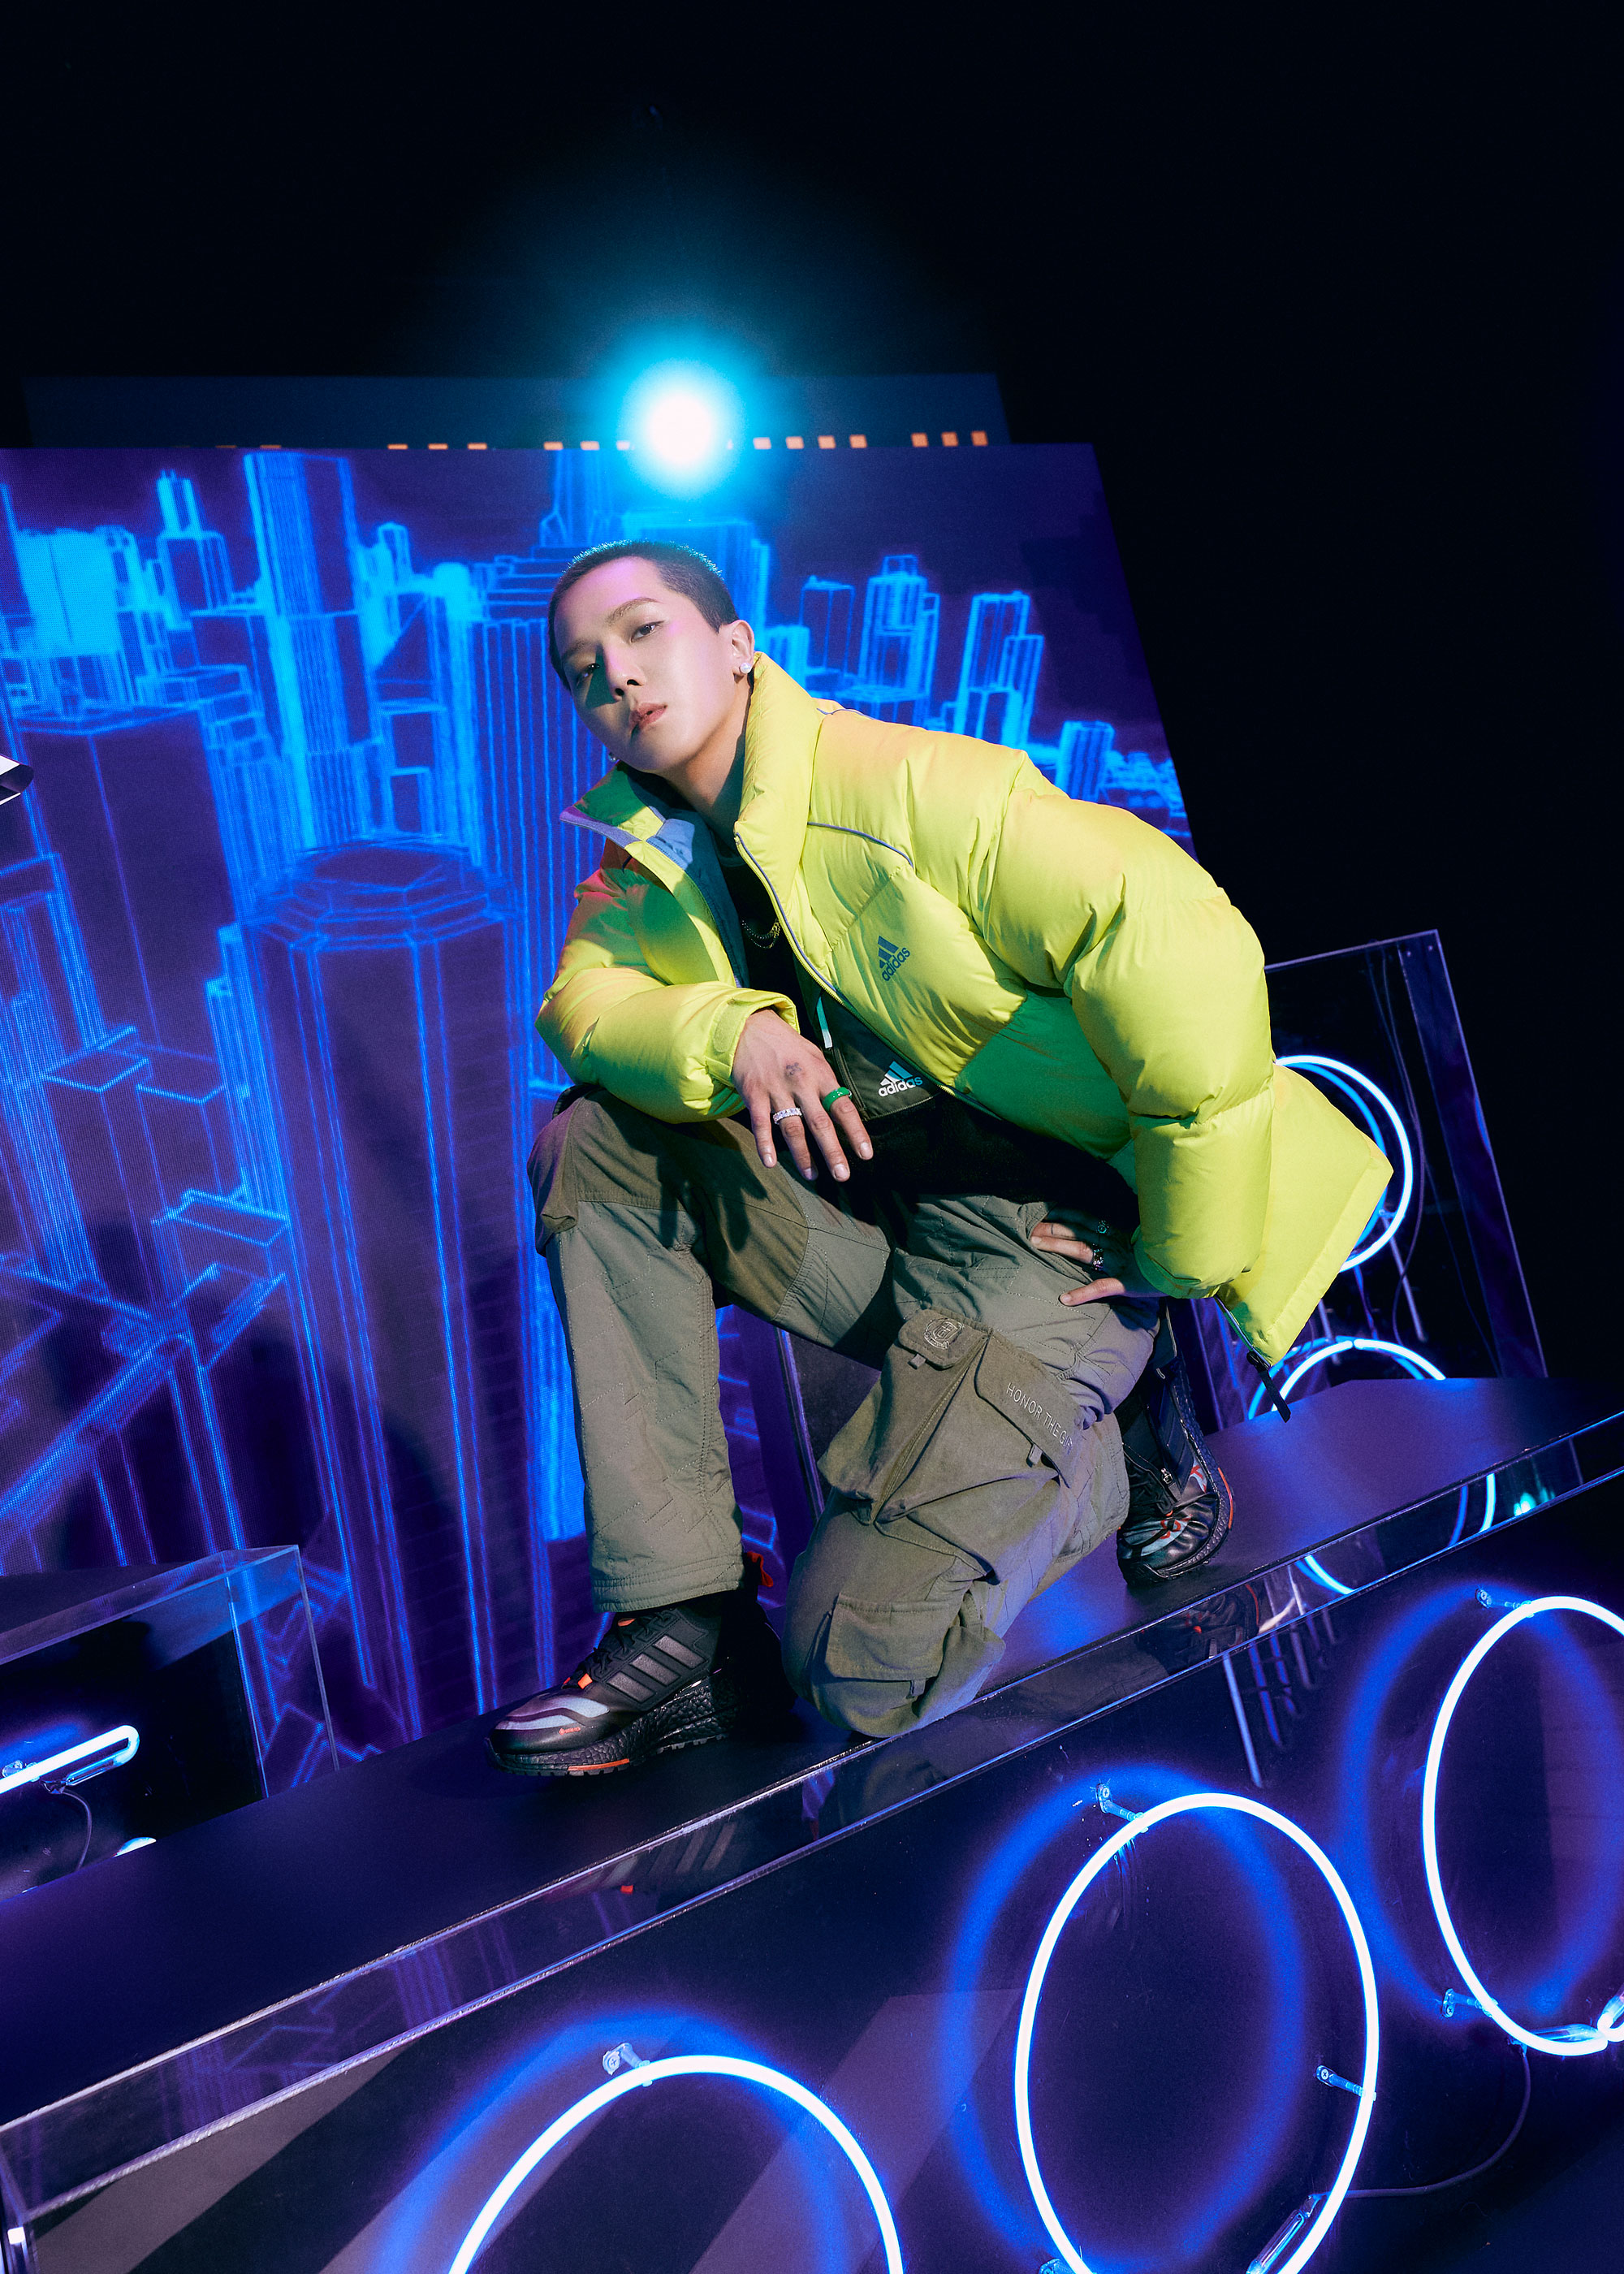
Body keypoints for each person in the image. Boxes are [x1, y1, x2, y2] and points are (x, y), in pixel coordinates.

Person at [489, 541, 1389, 1776]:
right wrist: (734, 1032)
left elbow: (1175, 938)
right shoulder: (647, 857)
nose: (619, 678)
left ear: (737, 646)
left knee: (858, 1667)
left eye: (644, 632)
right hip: (875, 1231)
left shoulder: (910, 788)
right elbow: (583, 1006)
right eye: (584, 668)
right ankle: (689, 1620)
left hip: (1043, 1243)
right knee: (593, 1142)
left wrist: (1182, 1252)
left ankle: (1111, 1438)